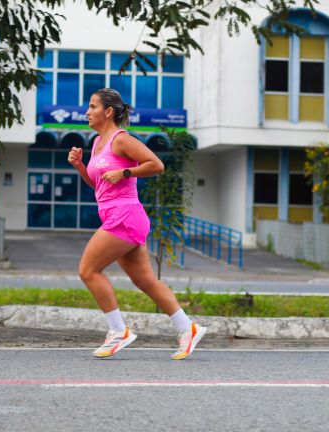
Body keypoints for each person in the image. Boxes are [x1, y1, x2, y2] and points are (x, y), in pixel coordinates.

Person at [67, 88, 207, 359]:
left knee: (88, 270)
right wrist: (81, 167)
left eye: (92, 106)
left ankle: (118, 331)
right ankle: (187, 328)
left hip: (125, 215)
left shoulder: (122, 140)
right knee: (144, 280)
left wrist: (126, 171)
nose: (87, 112)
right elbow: (99, 183)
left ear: (108, 112)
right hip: (114, 214)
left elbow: (156, 165)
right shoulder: (97, 143)